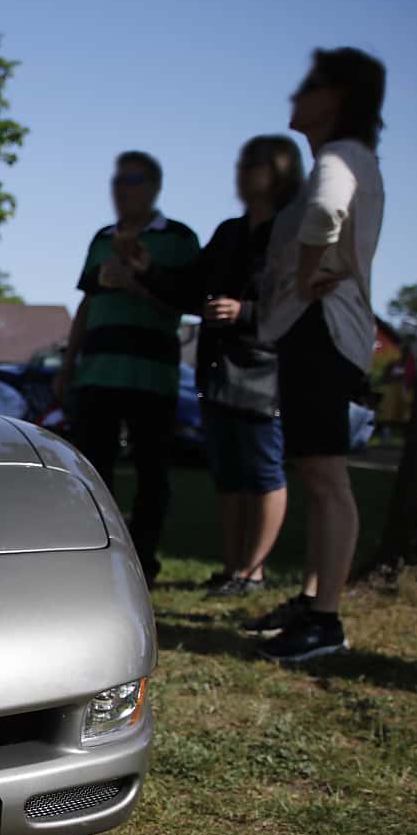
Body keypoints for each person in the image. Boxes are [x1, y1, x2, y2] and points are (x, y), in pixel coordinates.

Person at [242, 48, 387, 662]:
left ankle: (325, 621)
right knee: (317, 476)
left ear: (338, 97)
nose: (295, 98)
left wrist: (304, 278)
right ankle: (312, 601)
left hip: (322, 331)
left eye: (310, 86)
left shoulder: (339, 156)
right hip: (317, 333)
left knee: (326, 480)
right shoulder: (346, 159)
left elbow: (327, 210)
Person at [137, 135, 303, 597]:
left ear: (280, 174)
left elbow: (299, 296)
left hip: (264, 368)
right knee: (229, 474)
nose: (243, 173)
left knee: (264, 471)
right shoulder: (230, 232)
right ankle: (232, 568)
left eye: (255, 165)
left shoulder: (291, 232)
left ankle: (254, 571)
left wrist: (244, 312)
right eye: (242, 164)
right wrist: (148, 269)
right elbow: (191, 290)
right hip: (218, 367)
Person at [55, 151, 202, 587]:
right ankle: (93, 552)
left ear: (154, 187)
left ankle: (143, 561)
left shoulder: (178, 239)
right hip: (97, 373)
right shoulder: (101, 238)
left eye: (132, 180)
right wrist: (68, 364)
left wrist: (138, 284)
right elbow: (87, 304)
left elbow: (188, 302)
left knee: (151, 470)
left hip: (151, 377)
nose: (121, 189)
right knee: (91, 469)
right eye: (117, 181)